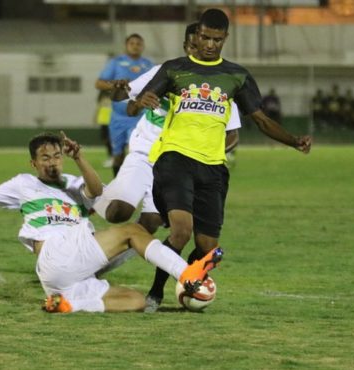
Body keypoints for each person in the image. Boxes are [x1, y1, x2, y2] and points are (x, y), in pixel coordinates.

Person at [0, 132, 223, 313]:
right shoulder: (23, 183)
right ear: (33, 162)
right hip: (55, 252)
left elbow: (98, 193)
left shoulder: (72, 182)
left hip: (65, 276)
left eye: (56, 156)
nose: (52, 163)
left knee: (136, 301)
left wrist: (80, 158)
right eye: (45, 158)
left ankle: (68, 304)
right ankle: (187, 272)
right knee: (132, 231)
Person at [132, 8, 311, 310]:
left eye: (217, 39)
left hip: (213, 166)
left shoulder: (236, 76)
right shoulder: (175, 69)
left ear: (225, 38)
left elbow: (261, 119)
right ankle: (155, 293)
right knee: (181, 230)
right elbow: (135, 105)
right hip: (175, 158)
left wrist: (294, 141)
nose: (210, 44)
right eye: (205, 37)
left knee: (206, 247)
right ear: (196, 36)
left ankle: (188, 283)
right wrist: (140, 102)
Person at [92, 23, 241, 313]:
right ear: (188, 45)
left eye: (209, 42)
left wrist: (207, 154)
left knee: (151, 226)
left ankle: (99, 268)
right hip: (145, 154)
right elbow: (123, 99)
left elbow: (233, 132)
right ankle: (91, 196)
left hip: (177, 167)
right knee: (118, 213)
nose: (202, 48)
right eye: (196, 43)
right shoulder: (165, 71)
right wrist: (120, 90)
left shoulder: (219, 83)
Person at [95, 34, 154, 176]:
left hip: (139, 117)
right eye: (132, 43)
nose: (135, 46)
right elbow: (99, 83)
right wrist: (114, 84)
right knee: (118, 154)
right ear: (126, 45)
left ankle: (138, 184)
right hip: (118, 118)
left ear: (143, 46)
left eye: (138, 43)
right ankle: (117, 184)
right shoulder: (116, 62)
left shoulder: (148, 65)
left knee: (137, 152)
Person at [94, 90, 113, 168]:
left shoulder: (111, 99)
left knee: (110, 141)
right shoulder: (101, 99)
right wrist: (95, 117)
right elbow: (99, 108)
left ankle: (113, 158)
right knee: (105, 140)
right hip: (103, 122)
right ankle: (111, 157)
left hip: (110, 122)